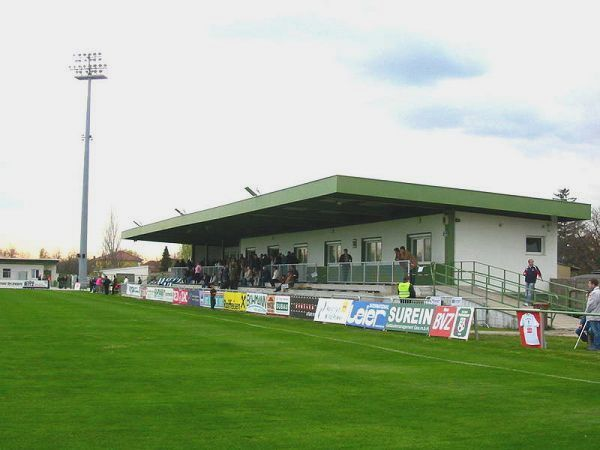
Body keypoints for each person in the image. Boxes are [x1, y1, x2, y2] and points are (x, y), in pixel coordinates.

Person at [585, 278, 600, 350]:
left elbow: (591, 305)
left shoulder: (594, 293)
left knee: (596, 332)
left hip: (594, 316)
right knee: (592, 331)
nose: (588, 285)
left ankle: (596, 346)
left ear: (593, 284)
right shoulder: (598, 292)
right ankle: (593, 345)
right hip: (596, 315)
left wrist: (586, 312)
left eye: (589, 284)